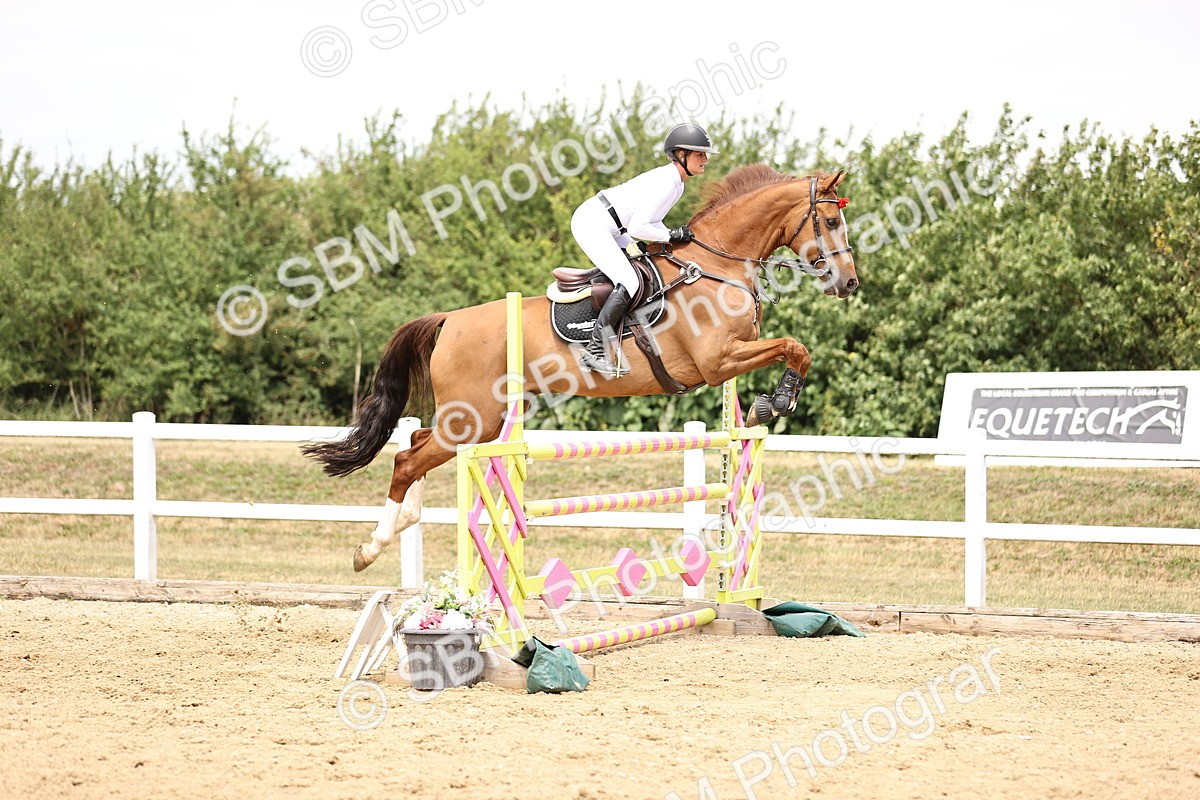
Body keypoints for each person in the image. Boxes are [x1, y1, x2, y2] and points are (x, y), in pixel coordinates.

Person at [570, 122, 718, 374]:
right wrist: (671, 234)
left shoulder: (677, 184)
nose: (705, 158)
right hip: (593, 223)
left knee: (647, 269)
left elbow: (652, 222)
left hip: (616, 227)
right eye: (699, 153)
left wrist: (671, 238)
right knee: (630, 281)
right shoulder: (665, 182)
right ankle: (594, 351)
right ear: (681, 155)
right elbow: (639, 228)